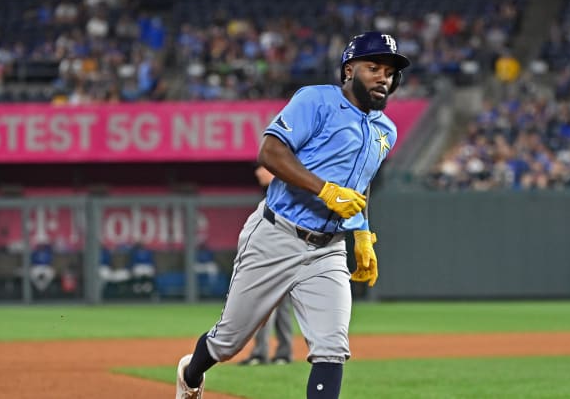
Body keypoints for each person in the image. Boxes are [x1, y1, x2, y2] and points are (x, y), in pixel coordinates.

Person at [175, 31, 410, 399]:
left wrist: (362, 233)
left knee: (332, 347)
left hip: (328, 250)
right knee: (229, 342)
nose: (384, 76)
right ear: (349, 70)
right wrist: (325, 190)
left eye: (390, 71)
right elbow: (269, 152)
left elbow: (360, 184)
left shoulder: (386, 130)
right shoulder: (316, 100)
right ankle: (190, 375)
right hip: (277, 235)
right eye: (374, 67)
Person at [238, 165, 294, 366]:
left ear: (272, 171)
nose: (257, 173)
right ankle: (283, 354)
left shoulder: (282, 193)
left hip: (278, 257)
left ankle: (263, 353)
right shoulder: (281, 191)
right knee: (281, 309)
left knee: (264, 306)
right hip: (285, 257)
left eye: (261, 169)